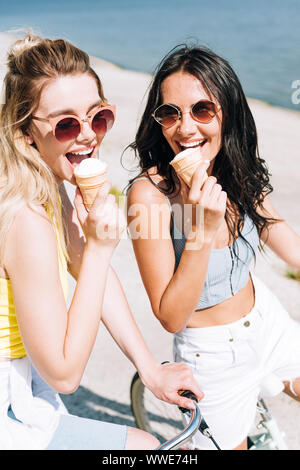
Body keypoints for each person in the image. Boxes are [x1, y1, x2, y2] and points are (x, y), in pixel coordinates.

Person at [0, 34, 204, 450]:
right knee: (149, 450)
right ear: (24, 131)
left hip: (25, 385)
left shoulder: (44, 182)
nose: (88, 136)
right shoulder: (24, 217)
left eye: (99, 116)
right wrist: (99, 248)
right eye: (66, 124)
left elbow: (88, 266)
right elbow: (64, 373)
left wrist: (149, 369)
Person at [126, 45, 300, 450]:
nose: (184, 128)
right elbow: (170, 316)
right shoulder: (148, 197)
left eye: (202, 109)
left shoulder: (233, 167)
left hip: (266, 319)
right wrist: (201, 230)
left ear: (228, 112)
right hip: (213, 356)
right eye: (170, 113)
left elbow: (287, 243)